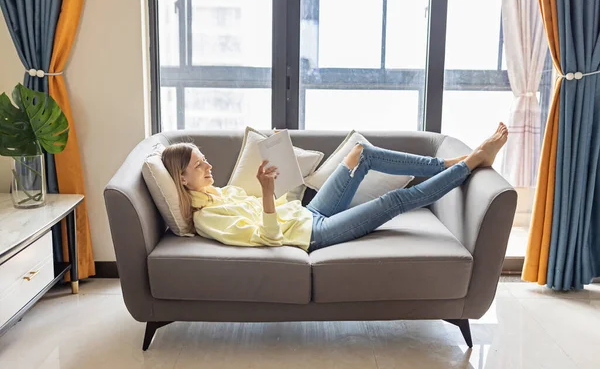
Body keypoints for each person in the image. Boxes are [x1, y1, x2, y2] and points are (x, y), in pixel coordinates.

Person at [161, 123, 508, 252]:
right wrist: (266, 193)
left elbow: (274, 210)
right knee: (394, 200)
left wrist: (279, 183)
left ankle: (445, 165)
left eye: (205, 160)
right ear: (181, 179)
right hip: (315, 234)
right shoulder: (207, 217)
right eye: (199, 165)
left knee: (362, 154)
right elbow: (269, 238)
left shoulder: (219, 192)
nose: (209, 166)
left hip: (308, 213)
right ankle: (471, 162)